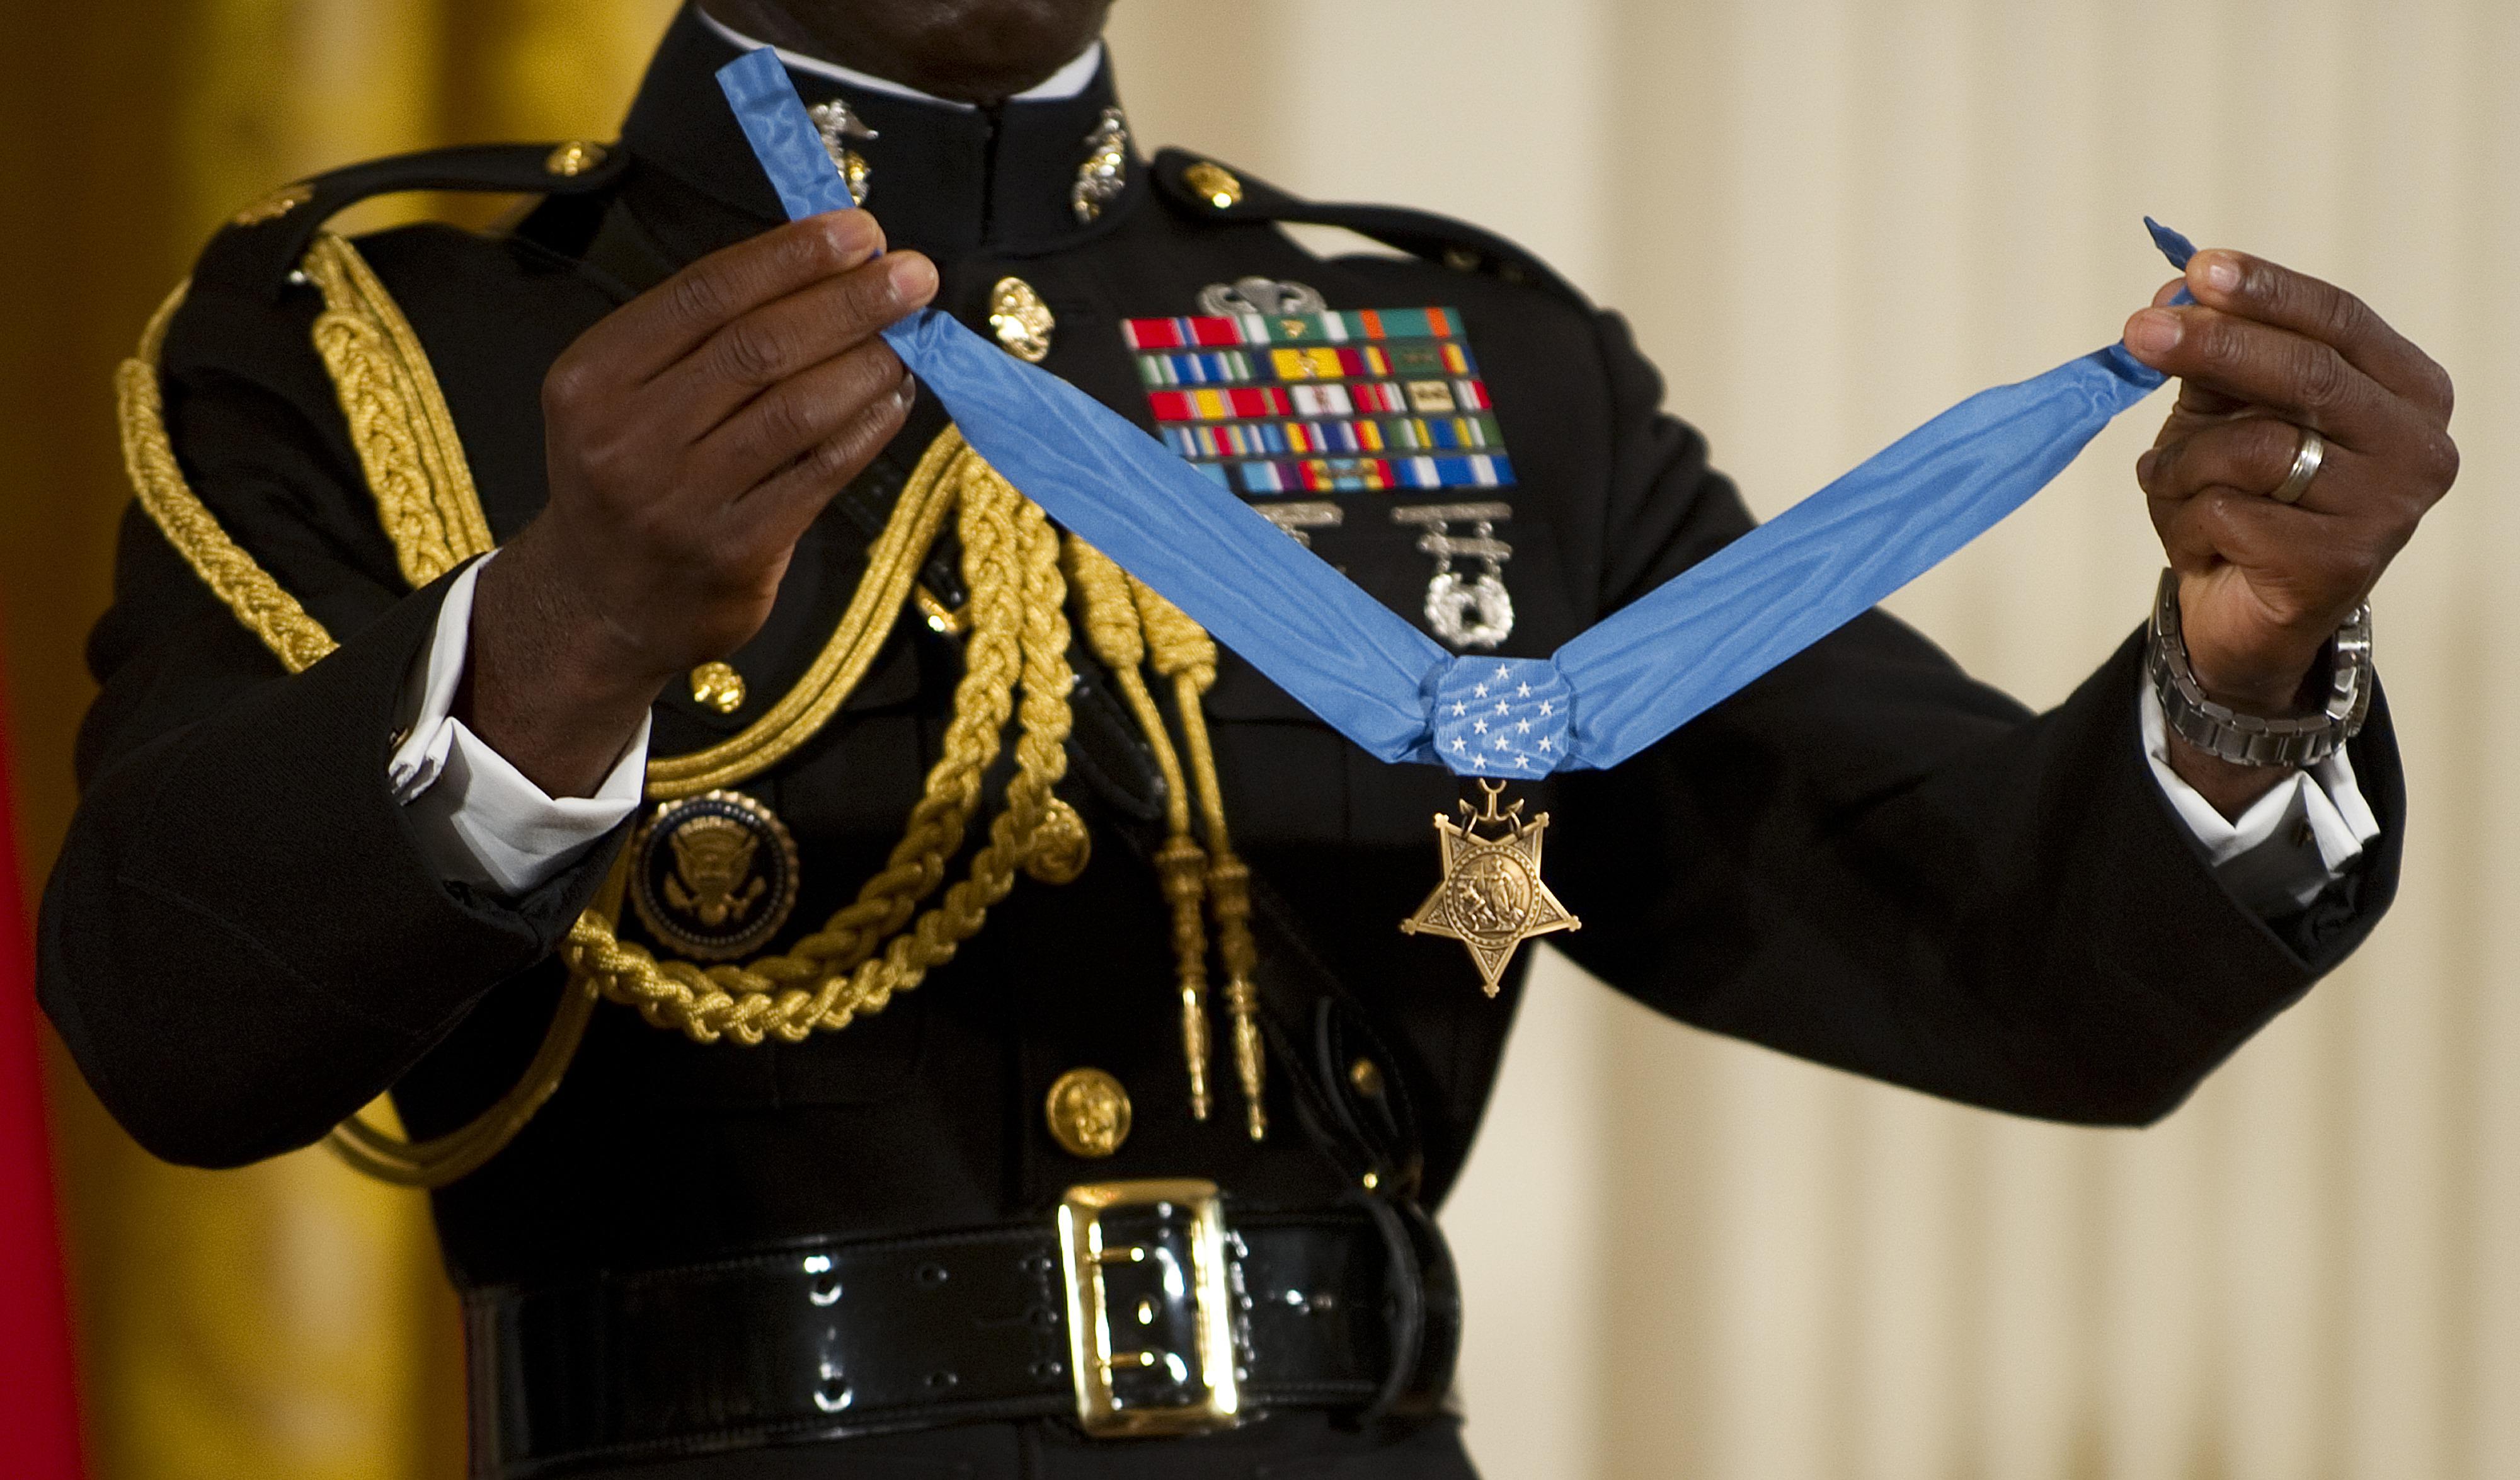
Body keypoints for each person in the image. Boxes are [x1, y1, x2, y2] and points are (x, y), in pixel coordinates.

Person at [38, 1, 2455, 1476]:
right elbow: (169, 1027)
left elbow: (1979, 953)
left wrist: (2241, 672)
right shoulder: (385, 330)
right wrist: (564, 625)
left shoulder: (1473, 361)